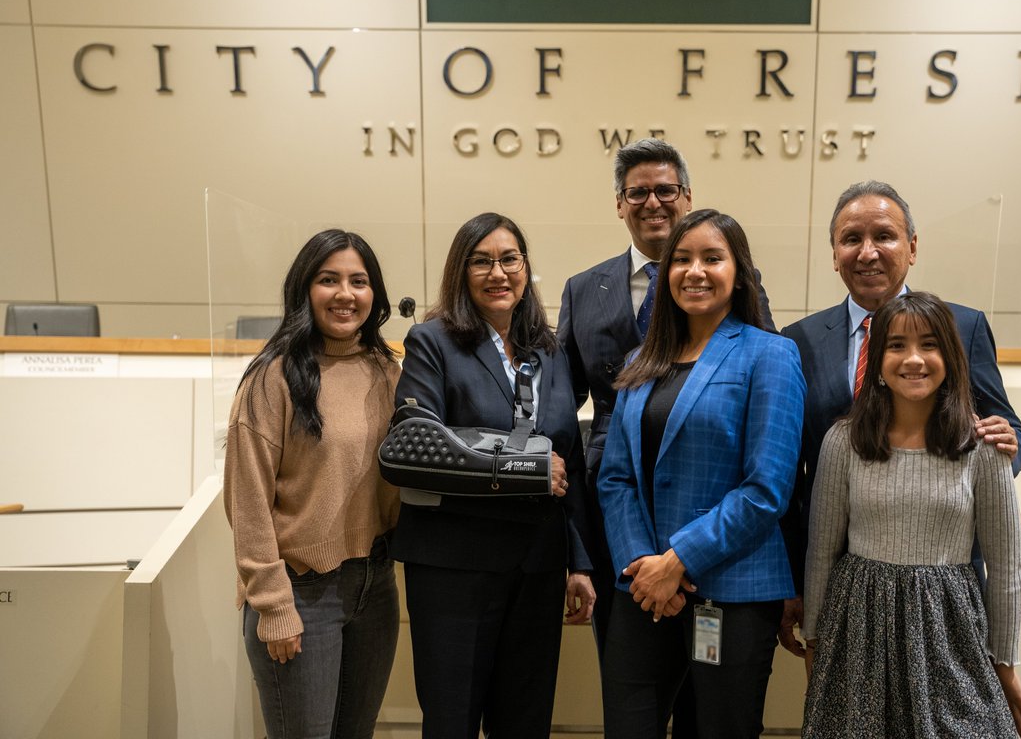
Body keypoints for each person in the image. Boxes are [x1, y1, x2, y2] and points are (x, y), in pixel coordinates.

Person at [778, 180, 1021, 655]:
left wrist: (1002, 451)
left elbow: (1007, 428)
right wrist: (796, 583)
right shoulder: (800, 339)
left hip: (943, 584)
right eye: (851, 239)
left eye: (885, 236)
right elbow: (793, 478)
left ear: (912, 247)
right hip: (841, 580)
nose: (867, 252)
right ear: (834, 254)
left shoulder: (963, 326)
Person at [558, 136, 775, 658]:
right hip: (615, 496)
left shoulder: (732, 282)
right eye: (637, 194)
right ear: (619, 204)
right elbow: (560, 407)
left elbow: (765, 375)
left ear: (687, 196)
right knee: (630, 666)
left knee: (709, 692)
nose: (652, 203)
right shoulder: (583, 288)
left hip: (710, 492)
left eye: (665, 190)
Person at [596, 209, 805, 739]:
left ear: (739, 273)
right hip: (641, 591)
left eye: (713, 258)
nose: (695, 271)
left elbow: (766, 489)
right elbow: (615, 478)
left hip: (732, 591)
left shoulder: (771, 355)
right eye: (681, 260)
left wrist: (679, 559)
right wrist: (644, 565)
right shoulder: (642, 359)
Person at [387, 212, 595, 739]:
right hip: (455, 568)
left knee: (525, 722)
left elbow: (566, 458)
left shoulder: (547, 350)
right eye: (481, 261)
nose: (497, 272)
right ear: (462, 271)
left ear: (525, 268)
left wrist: (578, 562)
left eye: (509, 259)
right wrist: (524, 470)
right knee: (452, 720)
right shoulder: (432, 342)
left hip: (537, 566)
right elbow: (418, 447)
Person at [801, 291, 1021, 738]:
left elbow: (1006, 566)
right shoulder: (843, 441)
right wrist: (815, 639)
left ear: (951, 356)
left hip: (952, 630)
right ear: (877, 361)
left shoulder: (984, 447)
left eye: (929, 345)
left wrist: (1004, 663)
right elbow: (822, 551)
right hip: (859, 628)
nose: (914, 360)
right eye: (896, 346)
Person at [224, 228, 401, 738]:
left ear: (375, 294)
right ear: (305, 289)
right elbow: (247, 501)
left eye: (359, 281)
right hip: (301, 594)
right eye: (330, 280)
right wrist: (273, 605)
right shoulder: (272, 378)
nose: (346, 294)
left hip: (376, 587)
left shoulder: (386, 372)